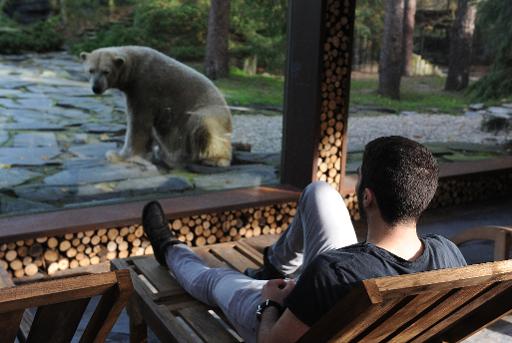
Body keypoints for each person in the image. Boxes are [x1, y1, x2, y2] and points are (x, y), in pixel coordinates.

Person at [142, 136, 467, 343]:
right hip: (352, 298)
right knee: (320, 192)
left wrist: (271, 301)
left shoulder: (333, 272)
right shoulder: (449, 254)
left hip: (288, 316)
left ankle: (170, 248)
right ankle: (275, 264)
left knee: (214, 280)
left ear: (367, 197)